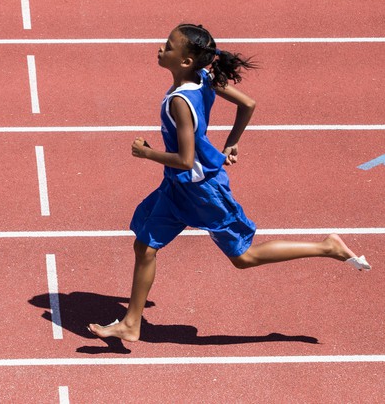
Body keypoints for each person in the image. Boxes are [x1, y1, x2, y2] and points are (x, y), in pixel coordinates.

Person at [88, 23, 371, 343]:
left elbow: (184, 158)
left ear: (185, 61)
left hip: (201, 190)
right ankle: (131, 323)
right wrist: (232, 142)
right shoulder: (203, 78)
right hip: (179, 186)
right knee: (144, 245)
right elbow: (247, 105)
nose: (159, 49)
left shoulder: (179, 101)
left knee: (243, 258)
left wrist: (147, 153)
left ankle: (327, 248)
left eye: (168, 46)